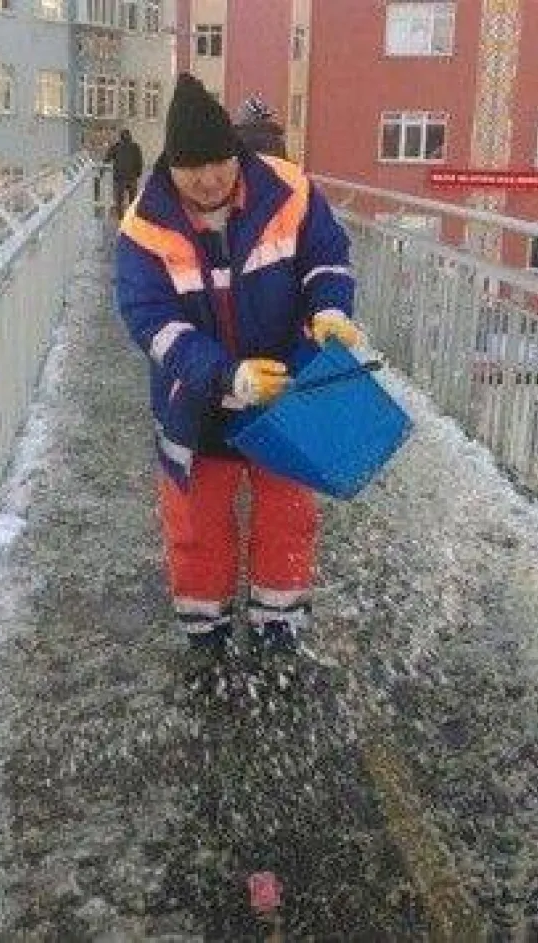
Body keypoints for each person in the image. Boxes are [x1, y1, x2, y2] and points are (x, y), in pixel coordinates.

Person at [115, 73, 361, 658]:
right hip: (197, 404)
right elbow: (151, 322)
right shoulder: (144, 229)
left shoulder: (287, 189)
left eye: (220, 163)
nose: (209, 179)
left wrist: (330, 310)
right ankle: (207, 640)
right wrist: (226, 375)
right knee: (197, 528)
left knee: (287, 516)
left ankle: (280, 630)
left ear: (237, 152)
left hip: (286, 390)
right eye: (193, 168)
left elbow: (327, 257)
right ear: (170, 167)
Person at [104, 129, 145, 218]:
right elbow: (139, 161)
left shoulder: (116, 146)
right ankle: (131, 217)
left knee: (119, 200)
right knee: (132, 200)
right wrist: (138, 174)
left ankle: (120, 217)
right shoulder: (135, 147)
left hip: (119, 178)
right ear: (130, 136)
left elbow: (107, 158)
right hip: (132, 177)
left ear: (120, 137)